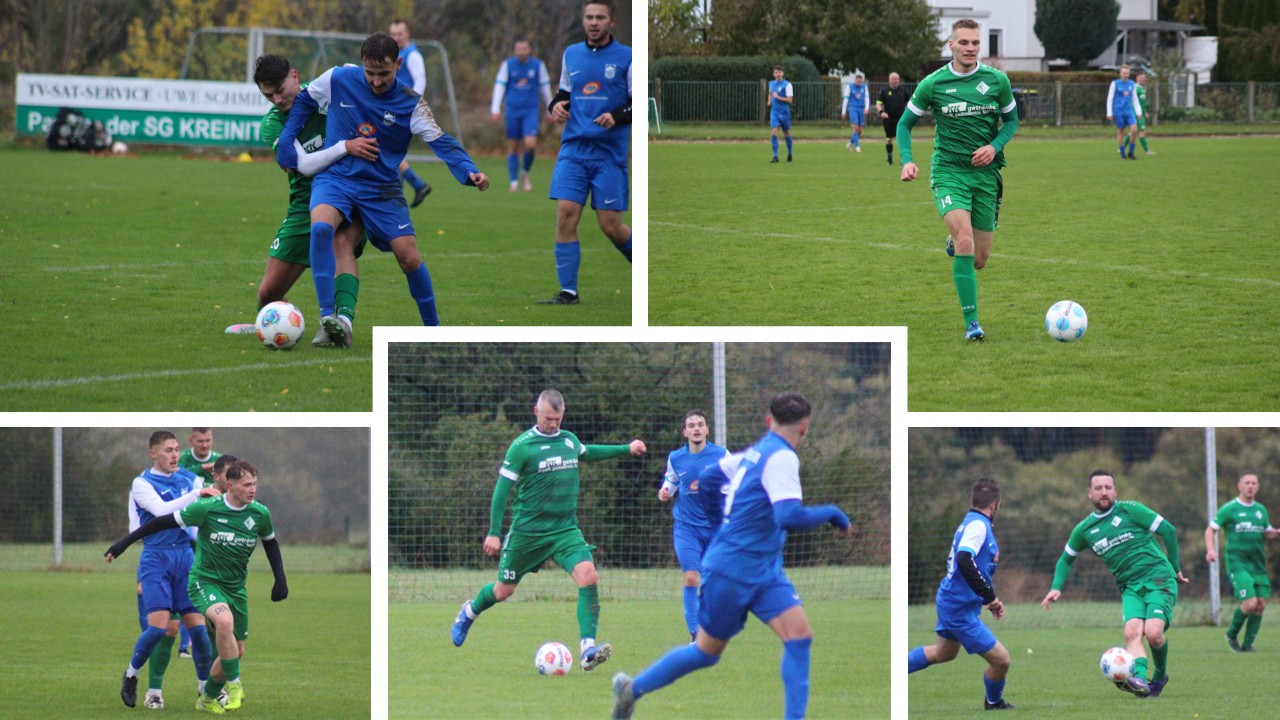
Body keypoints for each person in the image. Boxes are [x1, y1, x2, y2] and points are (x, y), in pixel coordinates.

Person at [612, 393, 852, 720]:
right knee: (706, 652)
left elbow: (709, 479)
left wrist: (717, 520)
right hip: (732, 570)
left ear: (769, 422)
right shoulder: (783, 457)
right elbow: (787, 516)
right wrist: (834, 513)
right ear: (805, 428)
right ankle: (631, 690)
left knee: (799, 637)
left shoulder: (754, 452)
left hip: (765, 571)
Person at [275, 32, 490, 339]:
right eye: (370, 73)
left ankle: (434, 331)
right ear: (362, 64)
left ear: (398, 65)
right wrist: (286, 140)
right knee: (321, 228)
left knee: (409, 257)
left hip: (381, 188)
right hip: (337, 178)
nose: (376, 81)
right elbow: (305, 101)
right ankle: (327, 319)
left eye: (384, 74)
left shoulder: (411, 104)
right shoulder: (337, 78)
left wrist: (469, 170)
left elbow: (441, 141)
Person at [451, 389, 647, 672]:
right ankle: (469, 612)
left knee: (589, 576)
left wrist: (626, 448)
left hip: (565, 530)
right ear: (536, 412)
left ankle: (587, 651)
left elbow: (588, 453)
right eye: (548, 419)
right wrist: (494, 532)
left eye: (558, 419)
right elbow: (501, 491)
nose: (553, 424)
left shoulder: (568, 440)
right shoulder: (522, 447)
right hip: (527, 533)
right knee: (503, 591)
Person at [107, 460, 289, 715]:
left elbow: (270, 542)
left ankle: (208, 698)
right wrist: (123, 544)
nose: (253, 489)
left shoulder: (260, 513)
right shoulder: (207, 508)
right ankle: (234, 686)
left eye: (255, 484)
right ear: (230, 486)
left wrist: (280, 580)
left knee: (235, 651)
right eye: (247, 484)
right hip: (204, 582)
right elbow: (161, 522)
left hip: (236, 588)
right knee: (222, 621)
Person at [898, 18, 1018, 342]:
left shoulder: (997, 81)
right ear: (951, 45)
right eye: (963, 42)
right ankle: (972, 323)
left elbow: (1011, 121)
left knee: (979, 259)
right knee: (966, 240)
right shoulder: (933, 83)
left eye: (975, 42)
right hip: (948, 172)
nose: (970, 48)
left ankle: (955, 242)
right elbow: (904, 124)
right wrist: (907, 160)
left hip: (986, 176)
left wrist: (994, 147)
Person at [1040, 470, 1187, 698]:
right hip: (1130, 587)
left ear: (1115, 491)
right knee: (1131, 633)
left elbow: (1169, 530)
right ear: (1089, 493)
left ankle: (1159, 676)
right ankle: (1139, 679)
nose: (1104, 492)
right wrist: (1056, 587)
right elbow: (1066, 558)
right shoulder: (1085, 529)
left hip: (1158, 578)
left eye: (1108, 487)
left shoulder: (1130, 509)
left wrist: (1175, 568)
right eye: (1098, 488)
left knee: (1153, 633)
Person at [539, 1, 633, 306]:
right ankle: (568, 293)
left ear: (611, 21)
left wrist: (616, 116)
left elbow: (637, 103)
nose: (594, 22)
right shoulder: (571, 54)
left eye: (600, 17)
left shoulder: (628, 57)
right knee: (565, 216)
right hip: (574, 149)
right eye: (589, 17)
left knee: (610, 226)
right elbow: (565, 92)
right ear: (583, 20)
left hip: (608, 154)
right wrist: (555, 105)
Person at [118, 431, 217, 710]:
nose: (175, 455)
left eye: (176, 449)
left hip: (185, 558)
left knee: (198, 629)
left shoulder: (190, 479)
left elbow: (195, 523)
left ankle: (205, 690)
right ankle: (134, 677)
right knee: (160, 629)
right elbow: (162, 512)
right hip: (156, 559)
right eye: (168, 450)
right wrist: (196, 494)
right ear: (154, 453)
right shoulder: (142, 483)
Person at [908, 479, 1014, 710]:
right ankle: (993, 703)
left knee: (943, 653)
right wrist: (989, 597)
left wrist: (987, 598)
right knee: (1002, 660)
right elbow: (964, 559)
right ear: (994, 505)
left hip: (954, 602)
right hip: (957, 608)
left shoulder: (971, 522)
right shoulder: (978, 526)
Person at [657, 410, 728, 640]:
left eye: (700, 424)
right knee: (691, 577)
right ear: (685, 432)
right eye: (691, 425)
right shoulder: (676, 458)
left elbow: (734, 486)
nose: (696, 428)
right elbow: (672, 479)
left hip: (715, 528)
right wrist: (665, 491)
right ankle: (696, 634)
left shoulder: (721, 455)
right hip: (686, 527)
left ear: (707, 430)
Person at [1206, 473, 1278, 652]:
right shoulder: (1230, 509)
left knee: (1260, 604)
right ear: (1240, 485)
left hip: (1258, 565)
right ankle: (1231, 634)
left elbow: (1267, 532)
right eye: (1247, 483)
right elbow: (1211, 530)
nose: (1250, 486)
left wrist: (1276, 533)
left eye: (1254, 483)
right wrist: (1211, 550)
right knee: (1250, 603)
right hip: (1237, 564)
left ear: (1257, 487)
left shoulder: (1261, 509)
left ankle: (1247, 646)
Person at [492, 39, 553, 192]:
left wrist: (550, 109)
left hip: (530, 111)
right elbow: (499, 86)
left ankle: (524, 173)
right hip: (512, 111)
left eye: (524, 48)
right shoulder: (508, 65)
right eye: (518, 49)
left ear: (529, 49)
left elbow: (545, 88)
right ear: (515, 50)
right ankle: (513, 181)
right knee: (513, 147)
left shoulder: (538, 65)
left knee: (530, 145)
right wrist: (495, 109)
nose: (521, 52)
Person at [389, 18, 432, 207]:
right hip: (394, 109)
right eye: (393, 34)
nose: (396, 37)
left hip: (403, 110)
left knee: (387, 150)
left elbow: (420, 80)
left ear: (408, 34)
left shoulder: (412, 55)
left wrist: (413, 106)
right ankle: (409, 189)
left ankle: (414, 186)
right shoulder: (396, 53)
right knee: (390, 151)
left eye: (400, 34)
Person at [1107, 65, 1143, 160]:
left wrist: (1138, 111)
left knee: (1134, 130)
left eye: (1127, 73)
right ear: (1120, 73)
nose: (1126, 75)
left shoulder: (1131, 84)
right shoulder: (1115, 83)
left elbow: (1134, 99)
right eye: (1124, 73)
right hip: (1118, 111)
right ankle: (1123, 153)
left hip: (1129, 111)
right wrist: (1109, 112)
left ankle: (1131, 152)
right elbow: (1110, 98)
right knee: (1121, 132)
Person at [876, 72, 908, 165]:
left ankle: (903, 159)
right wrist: (881, 112)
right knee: (889, 139)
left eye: (897, 79)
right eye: (894, 79)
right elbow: (878, 103)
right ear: (889, 80)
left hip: (901, 119)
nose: (896, 81)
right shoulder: (884, 91)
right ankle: (889, 158)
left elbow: (909, 104)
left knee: (901, 139)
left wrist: (907, 114)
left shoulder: (904, 91)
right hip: (888, 119)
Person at [767, 65, 794, 163]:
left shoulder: (787, 85)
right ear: (773, 74)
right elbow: (770, 93)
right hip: (774, 112)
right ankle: (775, 156)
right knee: (774, 131)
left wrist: (778, 97)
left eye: (779, 72)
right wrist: (769, 101)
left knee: (786, 133)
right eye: (776, 72)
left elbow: (790, 100)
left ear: (783, 73)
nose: (778, 74)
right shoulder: (771, 83)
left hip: (784, 113)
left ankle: (790, 153)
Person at [841, 72, 869, 153]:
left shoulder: (864, 87)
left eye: (860, 81)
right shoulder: (850, 87)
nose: (859, 83)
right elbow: (846, 99)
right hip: (853, 108)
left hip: (861, 108)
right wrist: (843, 112)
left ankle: (850, 143)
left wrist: (866, 108)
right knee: (855, 127)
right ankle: (857, 147)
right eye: (858, 81)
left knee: (860, 130)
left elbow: (867, 98)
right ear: (855, 80)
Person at [1134, 71, 1154, 155]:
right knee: (1140, 131)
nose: (1143, 79)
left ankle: (1121, 148)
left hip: (1141, 113)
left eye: (1144, 77)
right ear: (1137, 78)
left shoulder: (1142, 89)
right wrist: (1136, 112)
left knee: (1135, 131)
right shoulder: (1135, 88)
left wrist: (1144, 112)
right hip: (1137, 114)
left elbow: (1142, 102)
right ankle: (1147, 151)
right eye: (1141, 77)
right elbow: (1133, 101)